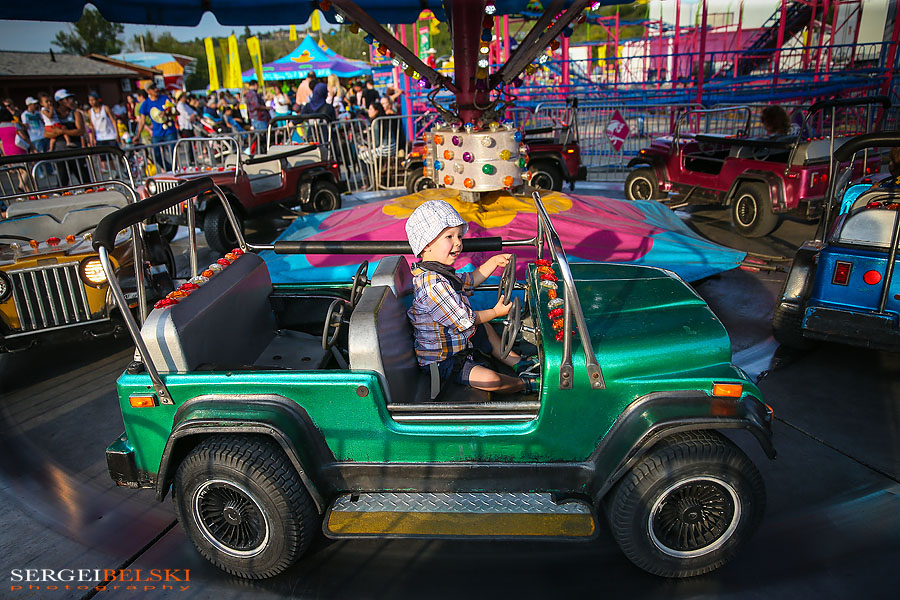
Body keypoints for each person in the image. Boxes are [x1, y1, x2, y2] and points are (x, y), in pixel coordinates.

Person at [404, 200, 537, 395]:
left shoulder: (441, 274)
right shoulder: (433, 284)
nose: (458, 242)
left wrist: (492, 262)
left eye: (459, 236)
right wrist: (495, 312)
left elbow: (470, 280)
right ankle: (525, 385)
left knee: (486, 328)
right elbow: (466, 321)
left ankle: (518, 363)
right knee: (492, 380)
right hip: (444, 361)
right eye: (449, 236)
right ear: (426, 245)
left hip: (459, 343)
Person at [135, 83, 177, 171]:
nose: (156, 89)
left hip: (169, 131)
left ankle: (174, 170)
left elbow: (174, 111)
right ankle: (170, 169)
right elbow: (142, 121)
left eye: (156, 87)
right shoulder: (146, 103)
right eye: (153, 88)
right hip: (157, 133)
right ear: (148, 91)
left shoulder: (165, 98)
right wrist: (138, 135)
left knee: (174, 152)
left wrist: (166, 112)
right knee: (156, 154)